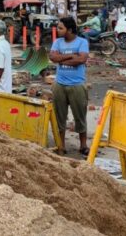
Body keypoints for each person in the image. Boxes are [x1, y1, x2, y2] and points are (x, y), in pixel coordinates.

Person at [49, 17, 90, 157]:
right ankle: (61, 145)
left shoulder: (82, 42)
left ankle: (83, 145)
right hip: (59, 84)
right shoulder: (57, 42)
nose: (58, 30)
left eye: (61, 28)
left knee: (80, 116)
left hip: (77, 85)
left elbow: (81, 60)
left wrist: (62, 58)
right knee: (59, 117)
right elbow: (53, 58)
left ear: (70, 30)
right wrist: (72, 56)